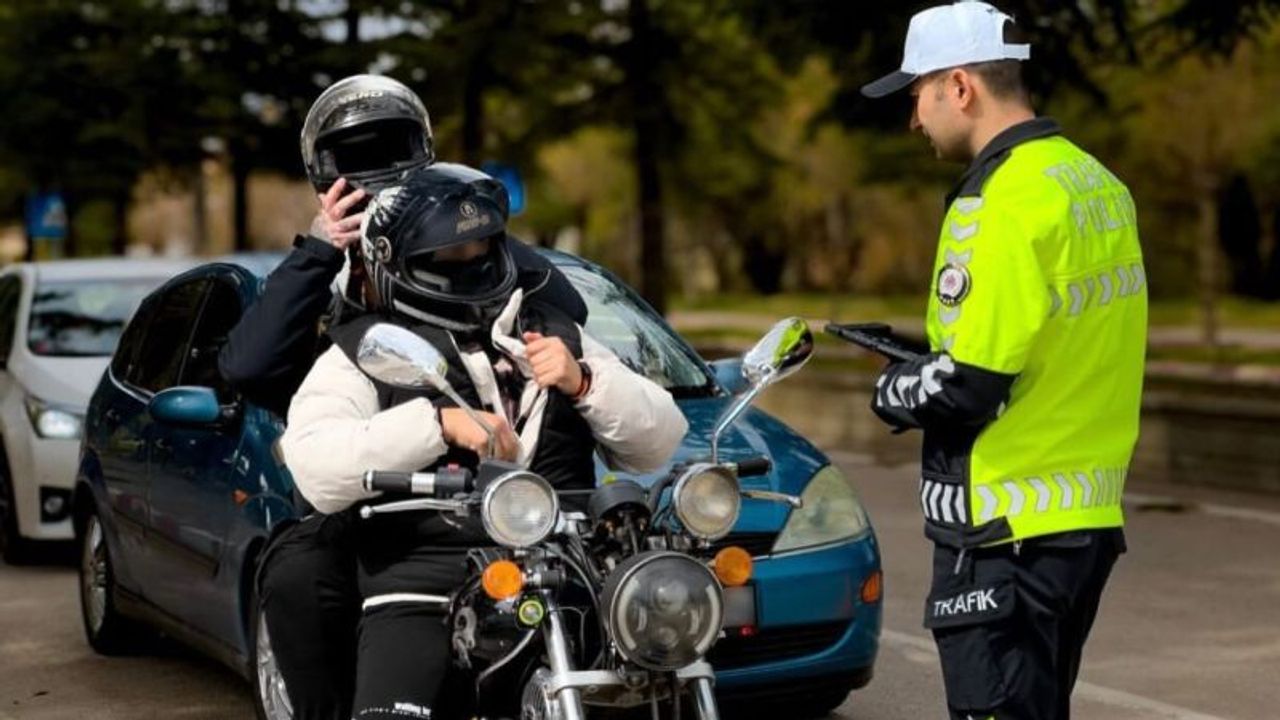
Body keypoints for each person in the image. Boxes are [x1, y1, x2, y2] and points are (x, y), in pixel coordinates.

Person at [216, 75, 588, 720]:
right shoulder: (325, 277)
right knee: (297, 573)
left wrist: (466, 217)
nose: (376, 173)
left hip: (501, 498)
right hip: (370, 491)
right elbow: (247, 365)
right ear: (323, 176)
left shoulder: (475, 254)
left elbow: (567, 311)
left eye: (392, 150)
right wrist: (321, 249)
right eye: (352, 160)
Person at [279, 162, 688, 719]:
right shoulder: (366, 350)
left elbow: (659, 442)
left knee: (662, 684)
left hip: (568, 575)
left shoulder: (556, 331)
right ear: (396, 263)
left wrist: (586, 382)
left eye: (481, 247)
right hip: (424, 581)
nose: (469, 261)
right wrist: (437, 424)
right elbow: (315, 465)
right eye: (449, 254)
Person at [860, 3, 1145, 719]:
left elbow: (967, 385)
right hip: (1084, 520)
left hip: (1001, 529)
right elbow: (1051, 339)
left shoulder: (995, 201)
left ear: (959, 86)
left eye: (917, 95)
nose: (913, 120)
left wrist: (892, 387)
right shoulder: (1095, 183)